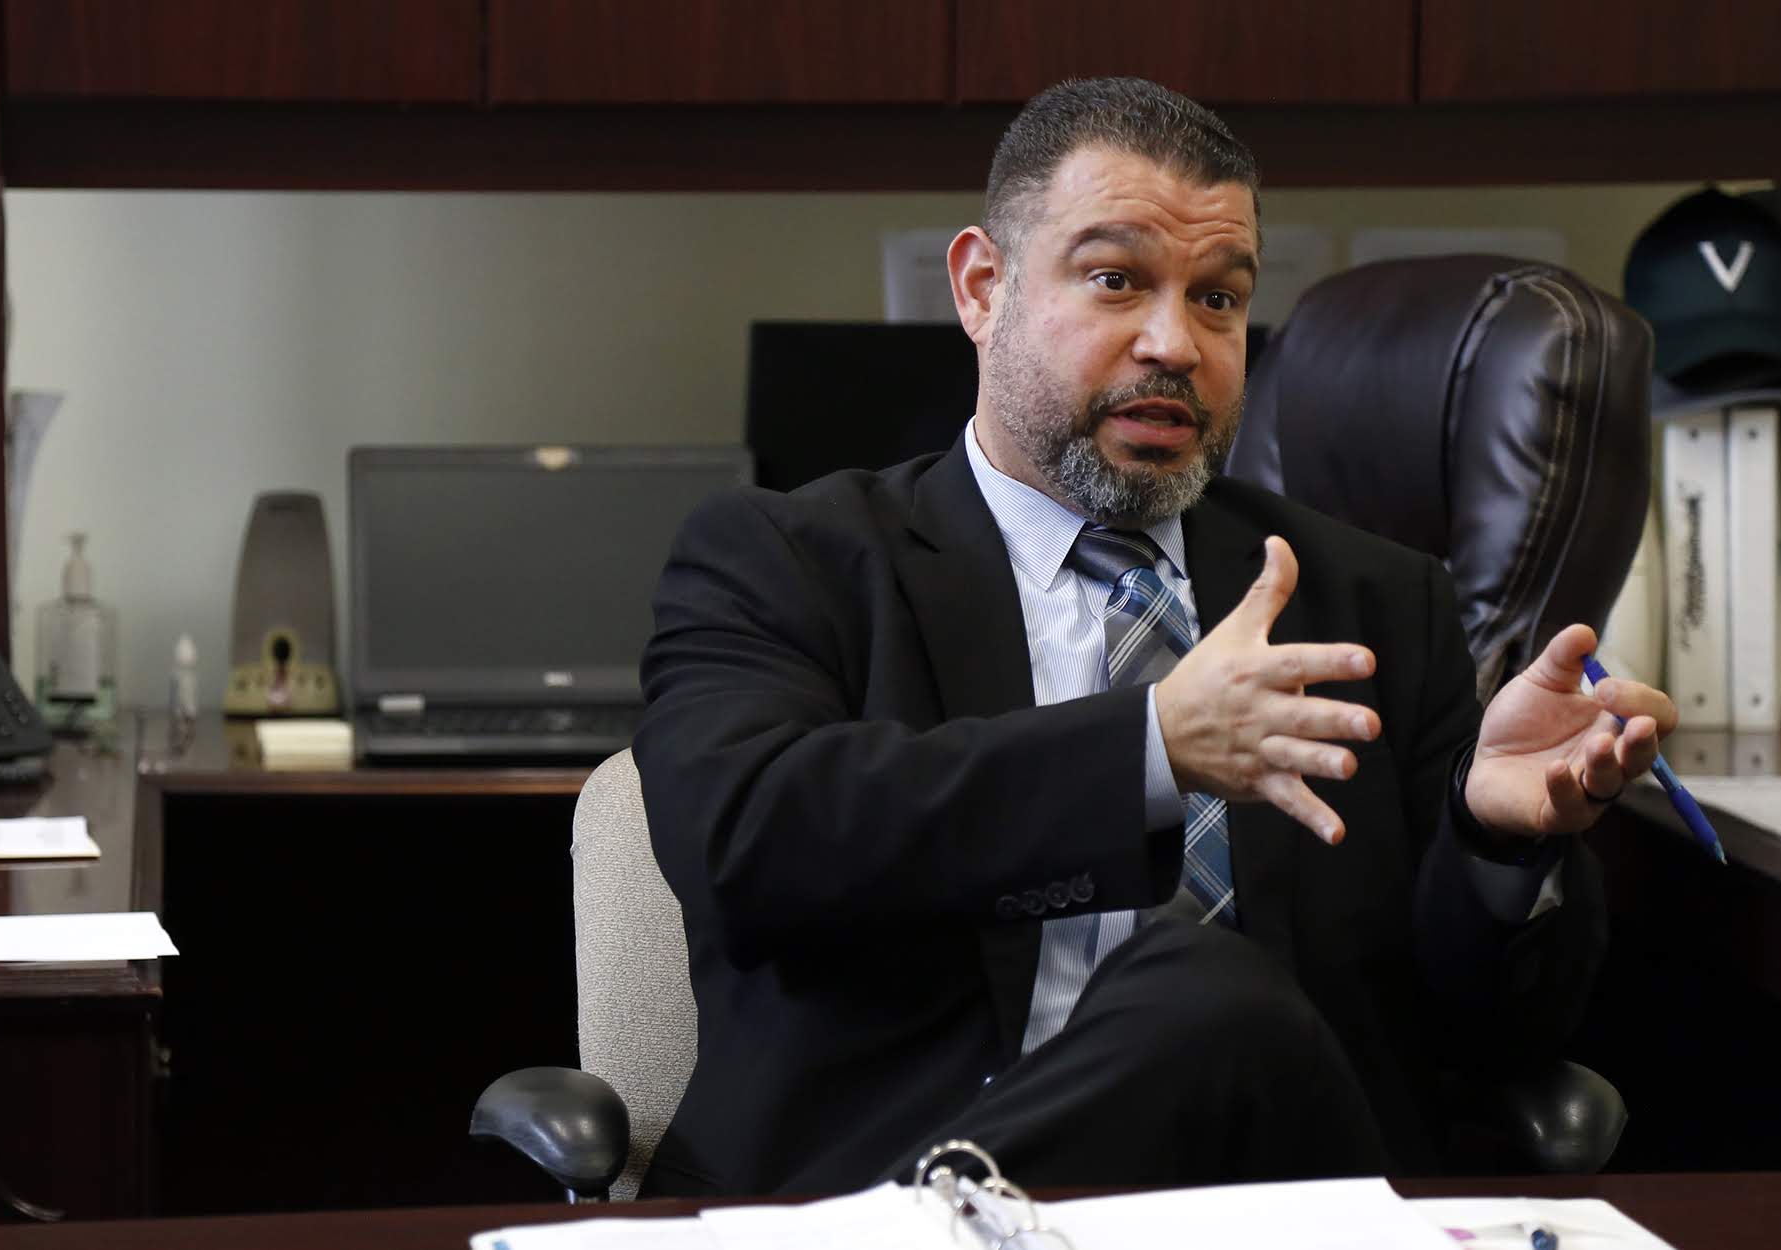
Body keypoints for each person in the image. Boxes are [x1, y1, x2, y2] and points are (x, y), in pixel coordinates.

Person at [631, 77, 1675, 1198]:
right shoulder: (786, 556)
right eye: (1115, 279)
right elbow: (744, 844)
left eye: (1220, 299)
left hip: (1276, 1205)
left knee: (1211, 995)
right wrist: (1146, 747)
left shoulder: (1376, 602)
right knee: (1197, 985)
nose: (1174, 342)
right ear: (983, 287)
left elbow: (1491, 1034)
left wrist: (1497, 842)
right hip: (885, 1194)